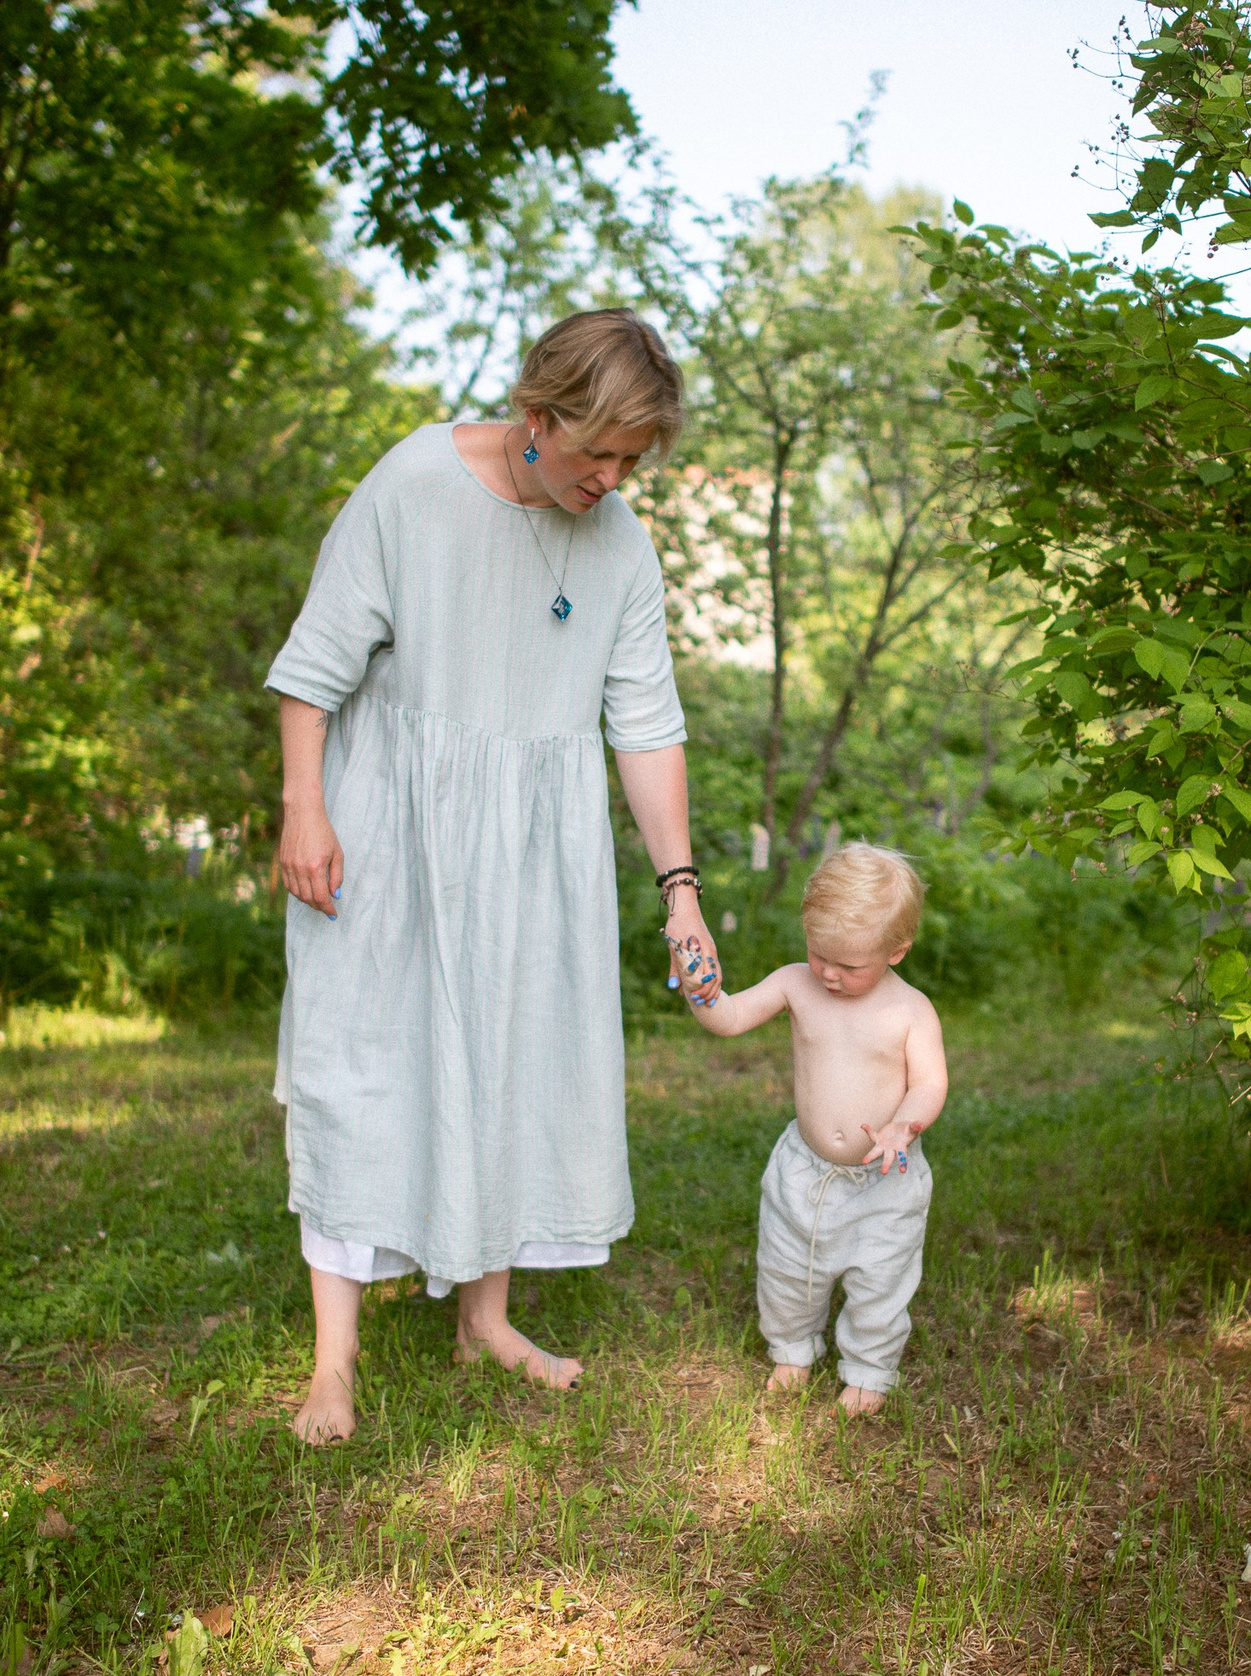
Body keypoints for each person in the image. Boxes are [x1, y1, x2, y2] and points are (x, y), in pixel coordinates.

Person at [268, 309, 724, 1444]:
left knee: (511, 1060)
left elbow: (646, 723)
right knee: (358, 1064)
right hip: (390, 833)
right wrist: (304, 808)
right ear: (538, 416)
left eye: (633, 460)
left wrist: (682, 888)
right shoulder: (416, 483)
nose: (613, 479)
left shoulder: (618, 542)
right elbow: (315, 662)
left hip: (532, 852)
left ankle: (487, 1318)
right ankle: (334, 1360)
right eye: (597, 453)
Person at [682, 843, 948, 1416]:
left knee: (881, 1279)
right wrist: (702, 994)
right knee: (787, 1268)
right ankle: (792, 1348)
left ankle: (870, 1369)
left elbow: (929, 1083)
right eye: (818, 952)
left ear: (897, 951)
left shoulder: (911, 1011)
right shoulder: (795, 984)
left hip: (884, 1180)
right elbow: (728, 1019)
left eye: (851, 966)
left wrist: (905, 1124)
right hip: (802, 1170)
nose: (828, 973)